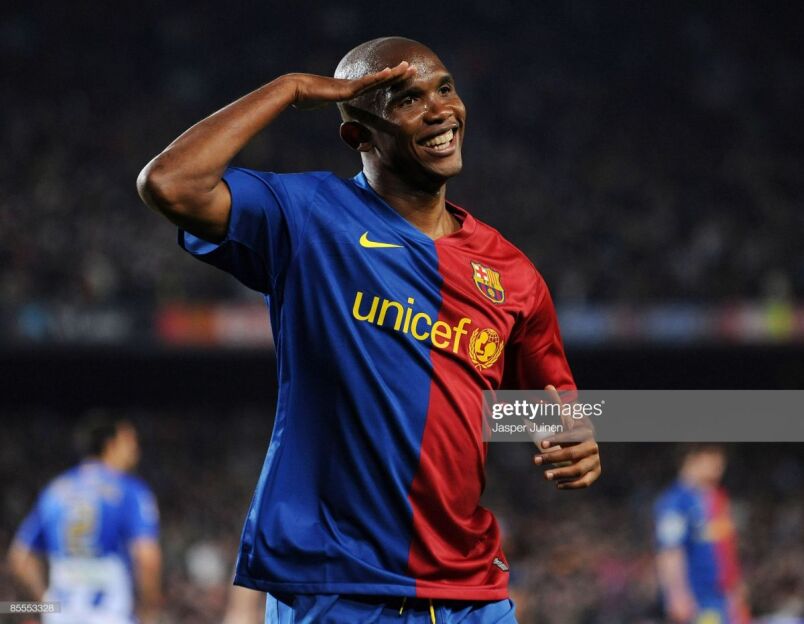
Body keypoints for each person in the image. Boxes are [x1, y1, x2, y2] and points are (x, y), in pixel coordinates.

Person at [138, 36, 601, 623]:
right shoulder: (308, 217)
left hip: (471, 594)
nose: (439, 109)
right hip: (337, 590)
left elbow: (550, 407)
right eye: (407, 99)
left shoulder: (512, 272)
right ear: (359, 135)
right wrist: (290, 88)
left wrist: (575, 442)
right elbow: (170, 183)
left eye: (445, 88)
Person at [7, 413, 162, 624]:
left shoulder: (55, 492)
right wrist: (149, 611)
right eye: (129, 441)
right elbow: (147, 558)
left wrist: (46, 604)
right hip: (110, 615)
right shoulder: (129, 490)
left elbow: (20, 558)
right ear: (110, 444)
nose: (136, 450)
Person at [655, 444, 750, 624]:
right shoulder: (676, 502)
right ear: (693, 458)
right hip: (698, 599)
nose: (720, 466)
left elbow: (726, 548)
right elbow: (670, 551)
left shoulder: (717, 498)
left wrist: (735, 587)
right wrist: (677, 594)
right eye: (714, 457)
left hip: (723, 598)